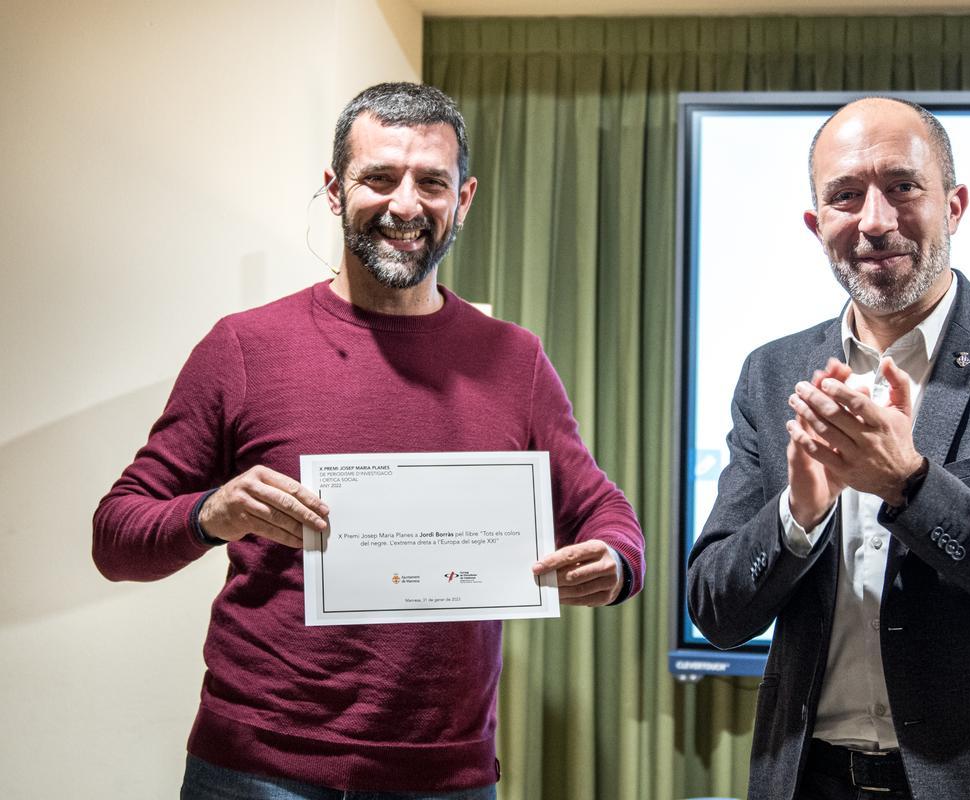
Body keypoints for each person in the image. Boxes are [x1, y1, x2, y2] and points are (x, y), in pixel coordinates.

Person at [93, 82, 645, 799]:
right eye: (379, 178)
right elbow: (115, 535)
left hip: (444, 777)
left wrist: (614, 560)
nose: (406, 205)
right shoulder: (243, 348)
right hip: (255, 770)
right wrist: (211, 513)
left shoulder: (516, 361)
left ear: (465, 199)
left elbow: (607, 514)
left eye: (432, 183)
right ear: (333, 189)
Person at [686, 97, 970, 800]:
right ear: (816, 224)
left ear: (953, 206)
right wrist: (797, 517)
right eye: (845, 196)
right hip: (810, 779)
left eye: (902, 186)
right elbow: (716, 611)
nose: (874, 221)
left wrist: (913, 485)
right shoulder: (771, 374)